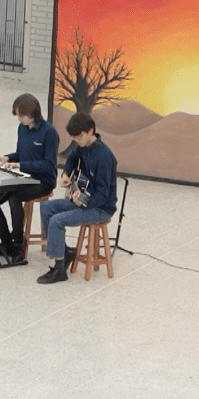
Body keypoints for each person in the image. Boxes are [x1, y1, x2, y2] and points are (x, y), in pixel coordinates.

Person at [37, 112, 118, 285]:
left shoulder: (104, 157)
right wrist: (66, 173)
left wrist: (81, 202)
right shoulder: (83, 146)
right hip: (83, 200)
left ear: (91, 131)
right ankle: (65, 252)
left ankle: (59, 270)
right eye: (74, 137)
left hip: (100, 208)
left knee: (57, 220)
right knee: (46, 208)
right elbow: (73, 157)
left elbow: (104, 195)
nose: (77, 140)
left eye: (79, 136)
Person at [0, 93, 59, 261]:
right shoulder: (22, 128)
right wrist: (8, 158)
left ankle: (18, 246)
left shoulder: (49, 133)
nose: (19, 119)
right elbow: (21, 154)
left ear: (32, 113)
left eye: (21, 115)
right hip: (23, 176)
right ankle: (6, 244)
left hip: (42, 180)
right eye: (17, 115)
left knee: (14, 197)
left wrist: (20, 165)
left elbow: (49, 164)